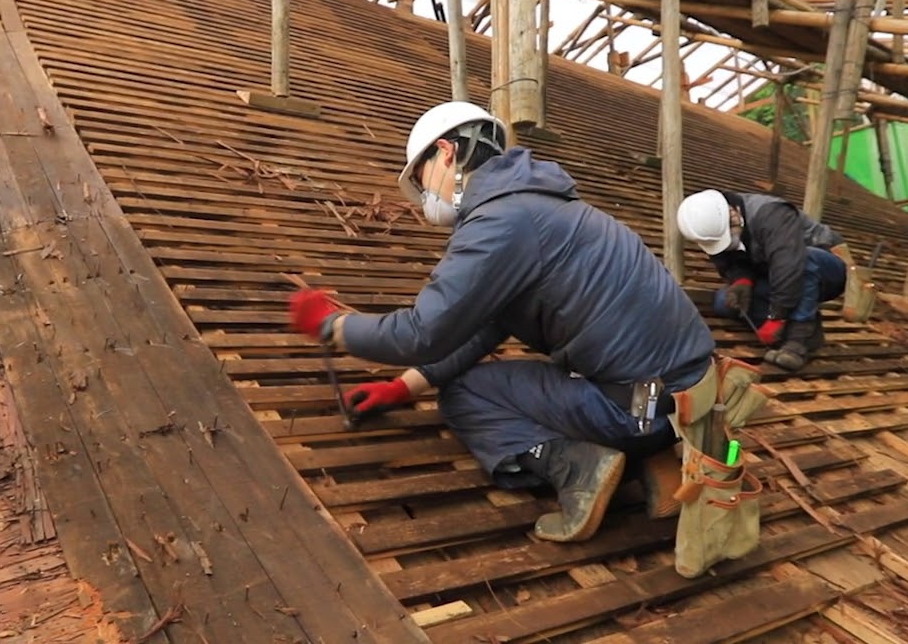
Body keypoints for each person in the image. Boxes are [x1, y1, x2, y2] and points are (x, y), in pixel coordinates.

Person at [289, 102, 716, 544]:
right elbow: (484, 327)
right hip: (679, 403)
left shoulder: (499, 223)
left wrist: (332, 326)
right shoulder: (547, 209)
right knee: (586, 380)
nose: (423, 199)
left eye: (421, 180)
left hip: (635, 411)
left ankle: (582, 467)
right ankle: (652, 455)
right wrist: (404, 387)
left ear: (446, 153)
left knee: (465, 394)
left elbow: (422, 332)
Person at [676, 189, 846, 372]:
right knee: (723, 302)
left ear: (733, 213)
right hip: (775, 273)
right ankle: (807, 334)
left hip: (827, 268)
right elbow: (730, 261)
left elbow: (788, 266)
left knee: (803, 260)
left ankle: (799, 337)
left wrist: (776, 317)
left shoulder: (772, 215)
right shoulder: (715, 228)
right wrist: (742, 281)